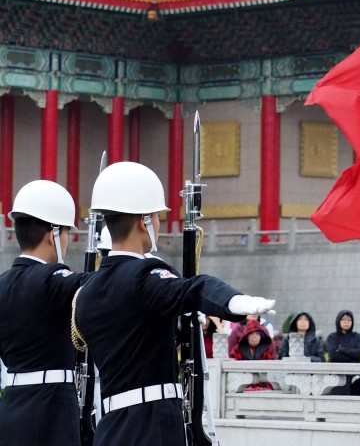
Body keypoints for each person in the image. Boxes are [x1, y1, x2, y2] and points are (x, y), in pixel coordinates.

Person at [73, 161, 275, 446]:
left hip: (111, 426)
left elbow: (136, 333)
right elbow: (194, 288)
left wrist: (180, 327)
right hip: (152, 423)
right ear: (143, 221)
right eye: (156, 216)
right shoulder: (145, 275)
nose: (158, 223)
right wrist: (233, 301)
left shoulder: (88, 291)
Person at [0, 180, 86, 446]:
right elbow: (99, 288)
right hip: (53, 404)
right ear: (52, 235)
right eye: (66, 235)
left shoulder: (2, 283)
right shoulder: (54, 278)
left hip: (11, 403)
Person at [324, 310, 360, 395]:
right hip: (337, 377)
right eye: (343, 319)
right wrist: (353, 358)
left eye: (349, 320)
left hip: (355, 378)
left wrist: (342, 350)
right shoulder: (332, 337)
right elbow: (333, 356)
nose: (346, 322)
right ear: (338, 321)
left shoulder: (357, 337)